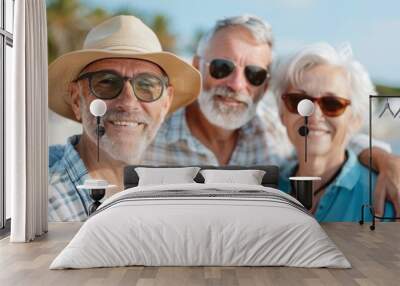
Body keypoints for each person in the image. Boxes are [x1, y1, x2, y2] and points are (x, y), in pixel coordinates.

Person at [143, 14, 400, 217]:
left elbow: (330, 140)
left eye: (253, 74)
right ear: (197, 66)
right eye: (222, 68)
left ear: (264, 87)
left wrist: (385, 159)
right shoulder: (149, 135)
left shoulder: (273, 132)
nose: (236, 84)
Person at [48, 15, 201, 221]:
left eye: (146, 85)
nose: (128, 102)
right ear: (77, 100)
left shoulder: (179, 197)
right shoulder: (38, 199)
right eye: (107, 82)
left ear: (165, 103)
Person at [275, 42, 394, 221]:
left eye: (332, 104)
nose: (313, 115)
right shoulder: (266, 192)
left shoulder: (387, 198)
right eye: (299, 101)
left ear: (355, 119)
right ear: (282, 113)